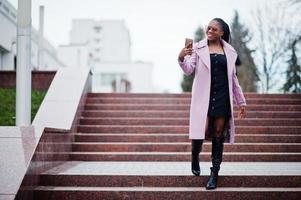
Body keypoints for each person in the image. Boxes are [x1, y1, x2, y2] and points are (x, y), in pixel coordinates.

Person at [178, 18, 247, 190]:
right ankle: (195, 156)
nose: (209, 31)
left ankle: (214, 173)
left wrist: (241, 101)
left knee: (218, 134)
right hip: (204, 97)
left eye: (214, 29)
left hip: (223, 96)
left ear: (222, 32)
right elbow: (188, 70)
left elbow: (233, 78)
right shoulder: (198, 48)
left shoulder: (230, 51)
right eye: (208, 28)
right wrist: (181, 57)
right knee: (200, 131)